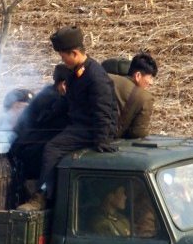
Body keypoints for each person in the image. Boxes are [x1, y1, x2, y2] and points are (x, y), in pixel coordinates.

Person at [20, 25, 119, 210]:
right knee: (38, 142)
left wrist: (102, 140)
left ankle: (42, 195)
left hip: (89, 129)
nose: (62, 60)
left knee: (52, 149)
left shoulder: (95, 76)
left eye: (63, 56)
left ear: (74, 53)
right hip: (77, 124)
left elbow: (103, 111)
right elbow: (69, 102)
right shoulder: (78, 72)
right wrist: (48, 117)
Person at [8, 64, 70, 196]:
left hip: (27, 153)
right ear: (64, 85)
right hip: (29, 156)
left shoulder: (49, 94)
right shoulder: (52, 100)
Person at [110, 52, 158, 139]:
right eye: (150, 77)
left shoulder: (104, 79)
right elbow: (138, 133)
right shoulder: (144, 97)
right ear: (138, 75)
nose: (151, 83)